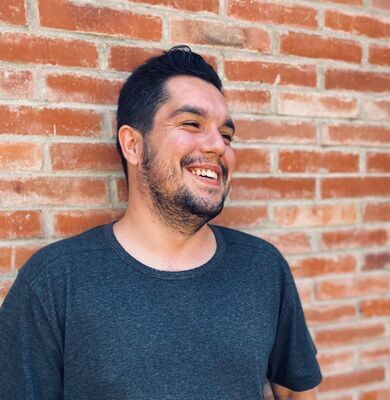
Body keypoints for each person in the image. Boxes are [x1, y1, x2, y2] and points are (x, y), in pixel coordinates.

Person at [0, 46, 321, 399]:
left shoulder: (262, 268)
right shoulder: (55, 282)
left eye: (226, 135)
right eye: (191, 124)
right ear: (133, 145)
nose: (218, 145)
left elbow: (295, 393)